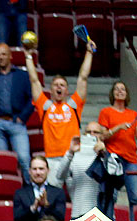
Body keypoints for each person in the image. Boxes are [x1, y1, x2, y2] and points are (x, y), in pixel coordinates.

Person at [27, 40, 94, 185]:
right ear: (50, 90)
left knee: (77, 198)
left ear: (67, 90)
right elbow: (34, 81)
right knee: (53, 199)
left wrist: (89, 53)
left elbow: (83, 77)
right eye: (56, 85)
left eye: (62, 85)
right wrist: (28, 56)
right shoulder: (45, 107)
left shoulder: (74, 106)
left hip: (74, 157)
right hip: (52, 159)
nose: (59, 87)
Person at [0, 42, 35, 176]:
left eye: (4, 54)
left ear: (10, 56)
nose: (1, 57)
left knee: (24, 159)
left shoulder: (22, 76)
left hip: (16, 123)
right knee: (2, 162)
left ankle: (30, 189)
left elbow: (32, 99)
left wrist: (22, 117)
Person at [98, 81, 137, 221]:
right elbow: (102, 136)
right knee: (111, 196)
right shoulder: (106, 112)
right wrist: (118, 127)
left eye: (122, 89)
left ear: (126, 94)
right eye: (116, 89)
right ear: (112, 93)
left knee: (134, 197)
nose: (119, 91)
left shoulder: (133, 114)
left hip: (131, 159)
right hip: (114, 159)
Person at [13, 155, 68, 221]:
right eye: (34, 169)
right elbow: (17, 220)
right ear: (29, 171)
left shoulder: (58, 192)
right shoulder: (20, 193)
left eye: (41, 169)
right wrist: (33, 208)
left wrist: (46, 205)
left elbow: (60, 218)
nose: (38, 172)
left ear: (48, 170)